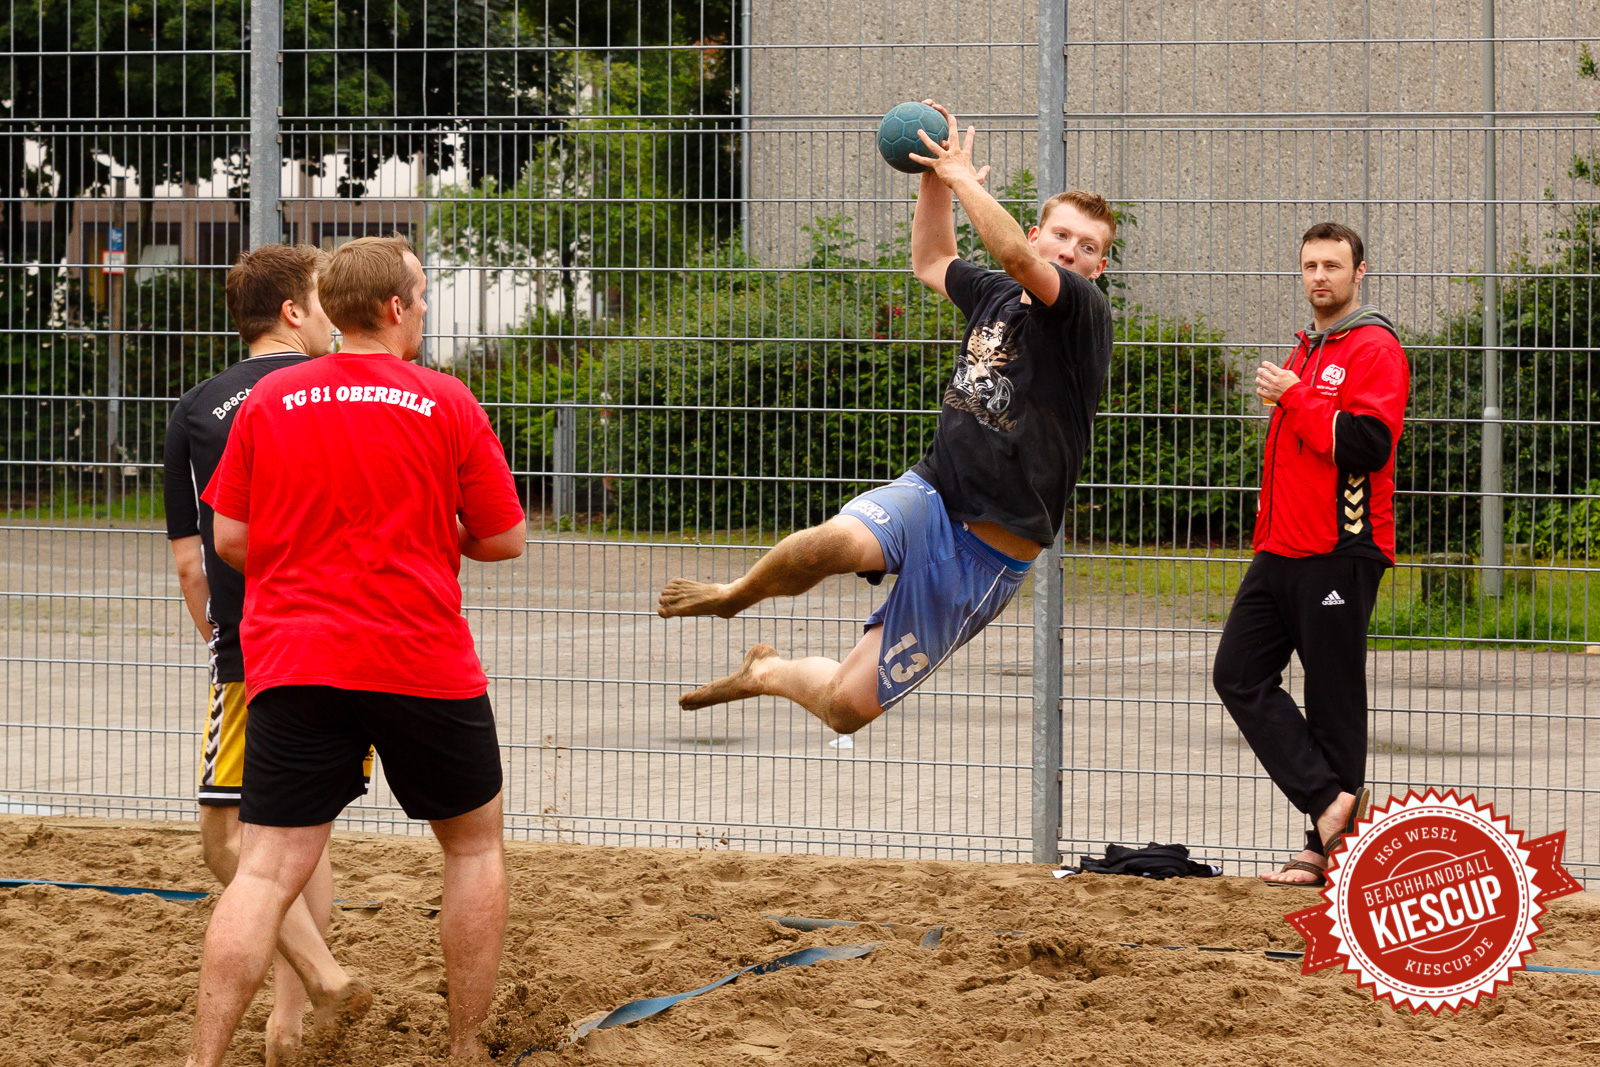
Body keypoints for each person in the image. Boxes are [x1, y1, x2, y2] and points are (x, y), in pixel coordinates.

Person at [657, 100, 1113, 735]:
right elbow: (930, 259)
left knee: (845, 708)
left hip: (982, 555)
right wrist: (933, 173)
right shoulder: (995, 293)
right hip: (931, 494)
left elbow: (1011, 255)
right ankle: (736, 596)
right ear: (1040, 235)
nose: (1071, 251)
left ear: (1099, 267)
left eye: (1087, 247)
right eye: (1059, 236)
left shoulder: (1083, 313)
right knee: (827, 545)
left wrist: (958, 177)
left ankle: (766, 671)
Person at [185, 236, 527, 1066]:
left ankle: (200, 1061)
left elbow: (227, 536)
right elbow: (506, 537)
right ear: (393, 308)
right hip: (420, 659)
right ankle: (464, 1047)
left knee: (262, 872)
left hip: (297, 660)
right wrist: (429, 533)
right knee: (474, 847)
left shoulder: (270, 401)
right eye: (419, 294)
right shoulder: (446, 400)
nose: (422, 307)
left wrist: (307, 548)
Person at [162, 243, 369, 1066]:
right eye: (322, 301)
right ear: (294, 310)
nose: (330, 317)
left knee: (230, 844)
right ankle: (288, 1021)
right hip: (346, 638)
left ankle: (317, 975)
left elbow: (190, 558)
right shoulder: (337, 392)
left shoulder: (197, 408)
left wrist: (218, 638)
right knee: (299, 833)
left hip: (258, 647)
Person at [1212, 222, 1409, 887]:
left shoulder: (1374, 346)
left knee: (1333, 701)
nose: (1319, 275)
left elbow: (1369, 444)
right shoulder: (1308, 349)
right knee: (1237, 672)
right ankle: (1330, 805)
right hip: (1280, 550)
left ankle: (1328, 849)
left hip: (1339, 549)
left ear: (1361, 272)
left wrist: (1295, 398)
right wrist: (1297, 392)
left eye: (1332, 264)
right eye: (1309, 265)